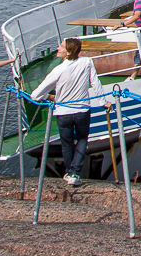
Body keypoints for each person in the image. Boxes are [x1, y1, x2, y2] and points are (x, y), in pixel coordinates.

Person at [31, 37, 110, 187]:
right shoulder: (87, 62)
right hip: (82, 111)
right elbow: (95, 83)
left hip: (63, 112)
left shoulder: (58, 70)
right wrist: (103, 102)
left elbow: (35, 95)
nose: (57, 49)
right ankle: (75, 172)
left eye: (61, 46)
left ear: (68, 51)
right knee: (82, 140)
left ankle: (69, 172)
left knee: (66, 144)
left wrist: (49, 97)